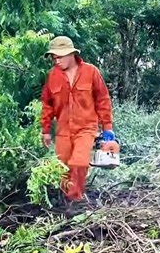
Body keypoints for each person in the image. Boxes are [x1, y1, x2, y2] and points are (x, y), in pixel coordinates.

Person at [40, 36, 114, 205]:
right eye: (54, 57)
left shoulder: (91, 71)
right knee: (63, 168)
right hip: (63, 131)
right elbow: (47, 105)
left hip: (86, 128)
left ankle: (76, 200)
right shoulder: (52, 76)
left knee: (79, 162)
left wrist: (107, 127)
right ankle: (67, 202)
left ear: (71, 54)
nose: (56, 61)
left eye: (59, 57)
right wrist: (45, 130)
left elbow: (103, 99)